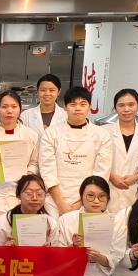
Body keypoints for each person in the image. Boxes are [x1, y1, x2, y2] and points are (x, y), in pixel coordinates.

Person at [39, 86, 113, 217]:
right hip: (55, 200)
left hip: (89, 200)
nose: (78, 108)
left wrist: (81, 203)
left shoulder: (102, 135)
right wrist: (61, 203)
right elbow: (47, 170)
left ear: (89, 107)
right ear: (65, 107)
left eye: (83, 104)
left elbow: (101, 173)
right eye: (73, 104)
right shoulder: (51, 133)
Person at [0, 91, 40, 218]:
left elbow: (34, 162)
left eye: (14, 106)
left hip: (21, 193)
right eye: (4, 107)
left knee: (20, 228)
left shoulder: (31, 135)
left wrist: (28, 173)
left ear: (20, 109)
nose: (9, 111)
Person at [105, 89, 138, 212]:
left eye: (131, 104)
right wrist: (111, 176)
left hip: (136, 190)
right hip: (109, 189)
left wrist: (137, 176)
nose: (126, 109)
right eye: (121, 105)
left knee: (133, 220)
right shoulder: (104, 131)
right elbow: (95, 160)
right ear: (115, 108)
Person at [0, 174, 58, 245]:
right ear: (18, 195)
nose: (35, 198)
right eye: (29, 194)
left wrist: (48, 250)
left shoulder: (51, 224)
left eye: (39, 194)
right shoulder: (3, 223)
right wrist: (5, 249)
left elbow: (56, 250)